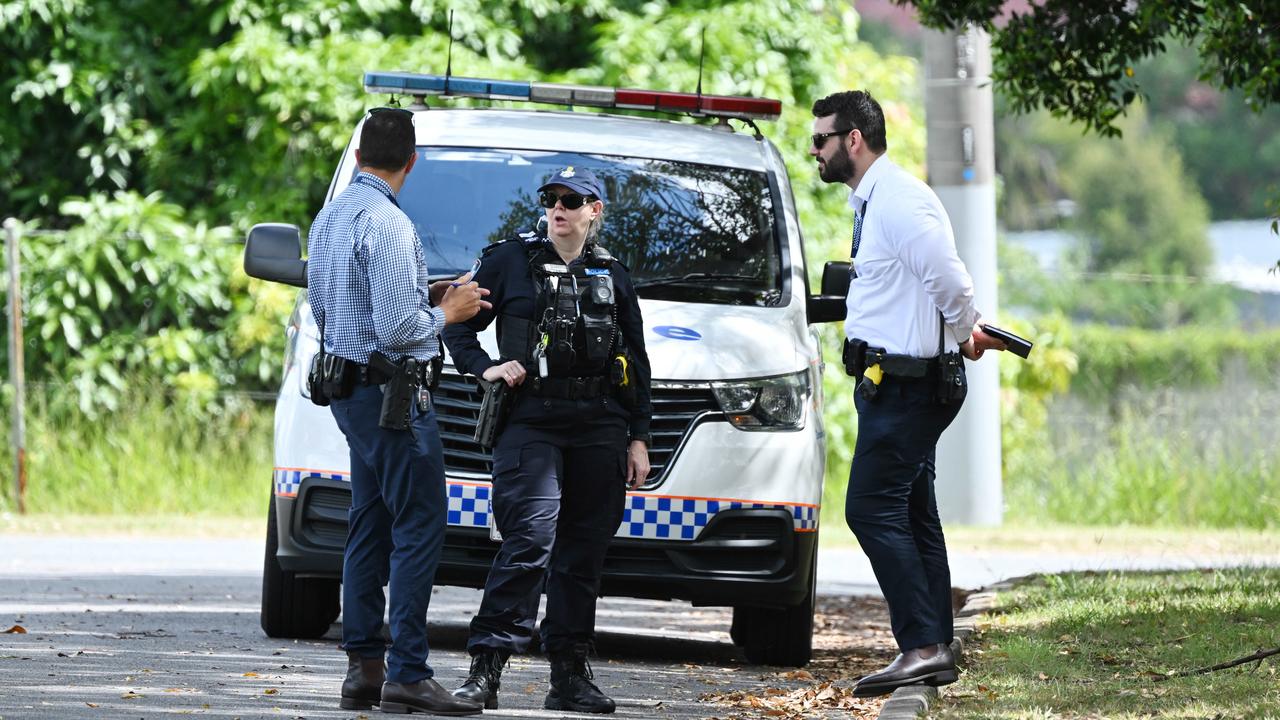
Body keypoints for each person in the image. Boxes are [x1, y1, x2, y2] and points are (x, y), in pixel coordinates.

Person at [808, 91, 1005, 698]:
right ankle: (935, 646)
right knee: (914, 511)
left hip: (909, 386)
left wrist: (964, 327)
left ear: (855, 141)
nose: (815, 149)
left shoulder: (899, 200)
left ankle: (920, 645)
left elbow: (948, 277)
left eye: (822, 139)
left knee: (869, 508)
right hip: (891, 383)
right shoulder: (874, 201)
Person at [442, 166, 653, 714]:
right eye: (551, 198)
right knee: (529, 539)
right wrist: (485, 368)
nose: (559, 207)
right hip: (530, 418)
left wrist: (639, 436)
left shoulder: (613, 272)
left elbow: (638, 361)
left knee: (583, 552)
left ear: (594, 211)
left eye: (572, 199)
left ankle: (569, 675)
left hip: (599, 422)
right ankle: (485, 669)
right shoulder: (508, 260)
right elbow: (457, 326)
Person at [306, 106, 489, 716]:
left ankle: (363, 667)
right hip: (392, 400)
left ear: (358, 156)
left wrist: (426, 292)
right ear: (412, 162)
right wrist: (448, 314)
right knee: (419, 523)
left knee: (370, 521)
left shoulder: (331, 217)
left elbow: (330, 310)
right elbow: (395, 330)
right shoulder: (390, 225)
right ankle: (407, 673)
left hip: (346, 393)